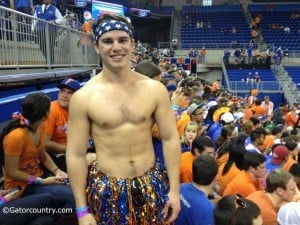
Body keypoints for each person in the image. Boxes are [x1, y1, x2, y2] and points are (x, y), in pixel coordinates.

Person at [66, 14, 181, 225]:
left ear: (132, 44)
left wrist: (174, 190)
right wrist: (82, 210)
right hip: (106, 190)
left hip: (151, 184)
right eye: (108, 41)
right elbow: (75, 154)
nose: (116, 47)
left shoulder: (155, 90)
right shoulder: (84, 97)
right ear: (97, 47)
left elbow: (170, 138)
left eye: (122, 40)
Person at [1, 92, 76, 224]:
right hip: (21, 187)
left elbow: (41, 153)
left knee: (67, 194)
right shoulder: (16, 136)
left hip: (38, 177)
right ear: (46, 114)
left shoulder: (40, 127)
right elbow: (11, 172)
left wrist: (57, 170)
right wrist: (42, 181)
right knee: (71, 197)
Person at [44, 78, 81, 172]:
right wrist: (71, 149)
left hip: (76, 148)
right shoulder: (51, 110)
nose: (64, 96)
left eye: (70, 92)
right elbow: (45, 144)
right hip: (58, 152)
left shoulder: (80, 109)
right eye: (62, 91)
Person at [175, 154, 218, 225]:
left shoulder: (178, 187)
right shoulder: (208, 210)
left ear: (191, 174)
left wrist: (213, 195)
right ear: (216, 179)